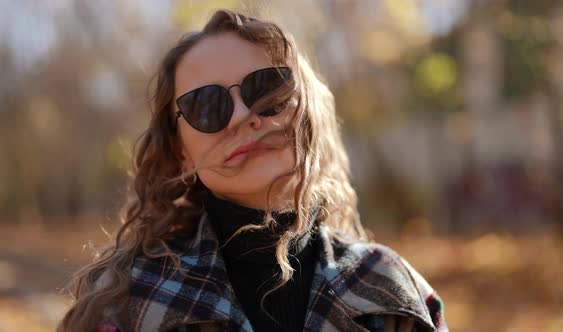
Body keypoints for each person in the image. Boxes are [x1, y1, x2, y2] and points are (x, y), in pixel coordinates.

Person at [57, 9, 448, 332]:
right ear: (181, 154)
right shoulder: (126, 303)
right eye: (206, 106)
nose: (244, 116)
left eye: (267, 89)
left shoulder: (394, 291)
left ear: (305, 114)